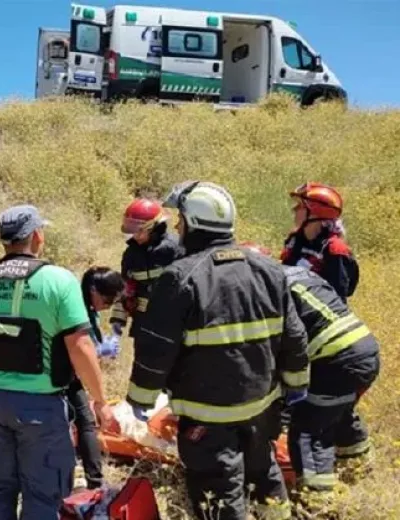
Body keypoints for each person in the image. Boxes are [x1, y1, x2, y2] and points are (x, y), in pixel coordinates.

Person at [125, 181, 309, 520]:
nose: (177, 227)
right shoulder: (269, 270)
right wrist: (297, 384)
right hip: (262, 407)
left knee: (219, 488)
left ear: (194, 224)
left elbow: (157, 347)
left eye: (182, 220)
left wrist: (141, 398)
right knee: (264, 473)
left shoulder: (180, 277)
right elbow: (294, 335)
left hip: (208, 415)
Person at [0, 204, 116, 520]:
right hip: (41, 409)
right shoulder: (58, 281)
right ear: (37, 236)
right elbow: (80, 346)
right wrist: (100, 401)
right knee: (43, 496)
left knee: (0, 489)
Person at [243, 242, 380, 490]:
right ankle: (360, 470)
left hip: (336, 359)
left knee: (308, 430)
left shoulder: (267, 288)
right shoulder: (299, 273)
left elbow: (280, 345)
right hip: (365, 349)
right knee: (337, 412)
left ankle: (317, 499)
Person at [66, 266, 126, 490]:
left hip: (72, 376)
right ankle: (77, 478)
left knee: (86, 423)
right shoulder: (75, 309)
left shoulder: (90, 310)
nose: (108, 306)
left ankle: (96, 482)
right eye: (107, 299)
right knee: (78, 423)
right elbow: (80, 348)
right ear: (93, 290)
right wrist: (98, 350)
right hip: (60, 376)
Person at [106, 198, 185, 356]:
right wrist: (115, 333)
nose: (135, 236)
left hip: (173, 327)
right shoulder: (131, 255)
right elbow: (125, 293)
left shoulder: (175, 249)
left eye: (139, 231)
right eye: (131, 231)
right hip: (143, 327)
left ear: (154, 227)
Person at [280, 182, 359, 303]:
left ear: (315, 213)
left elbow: (337, 298)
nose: (294, 209)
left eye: (300, 206)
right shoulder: (294, 239)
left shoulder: (334, 249)